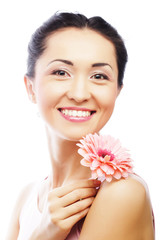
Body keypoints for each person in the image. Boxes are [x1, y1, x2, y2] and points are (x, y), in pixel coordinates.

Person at [6, 12, 155, 240]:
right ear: (31, 88)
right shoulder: (27, 198)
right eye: (61, 72)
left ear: (117, 91)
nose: (79, 94)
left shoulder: (121, 193)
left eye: (98, 76)